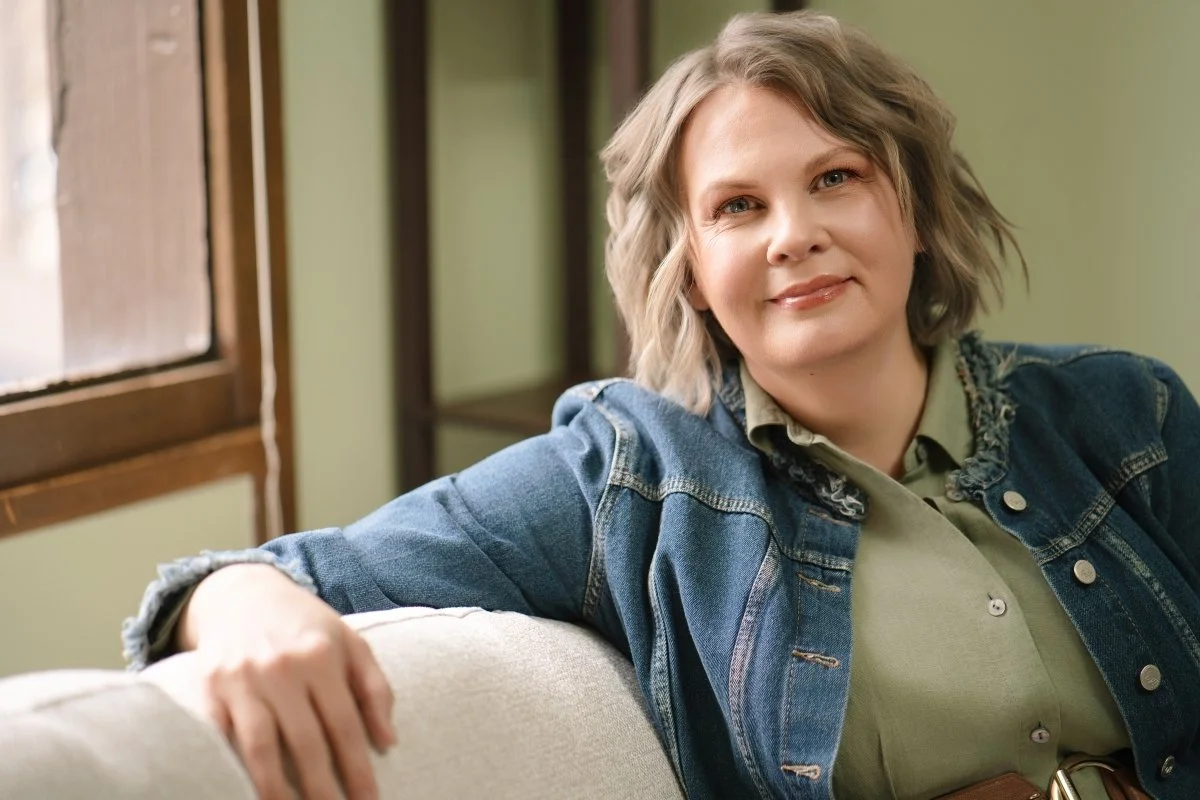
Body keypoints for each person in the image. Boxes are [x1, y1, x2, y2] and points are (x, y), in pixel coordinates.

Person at [123, 10, 1200, 800]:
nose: (792, 234)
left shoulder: (1121, 409)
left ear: (912, 206)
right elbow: (276, 577)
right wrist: (239, 604)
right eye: (739, 206)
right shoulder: (634, 473)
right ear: (689, 268)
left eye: (836, 177)